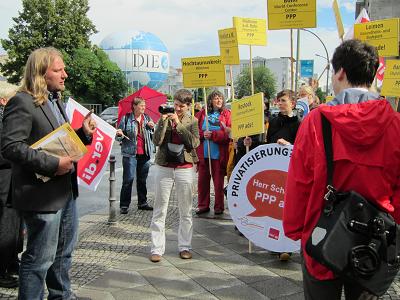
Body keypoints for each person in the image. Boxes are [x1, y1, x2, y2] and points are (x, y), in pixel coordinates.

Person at [283, 39, 400, 299]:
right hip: (373, 240)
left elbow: (299, 182)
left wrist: (294, 229)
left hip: (322, 233)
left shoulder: (316, 121)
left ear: (341, 73)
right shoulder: (396, 124)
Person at [1, 47, 96, 300]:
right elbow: (11, 147)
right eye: (58, 69)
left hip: (65, 193)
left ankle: (61, 296)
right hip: (41, 197)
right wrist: (53, 165)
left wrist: (82, 133)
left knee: (63, 254)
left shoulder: (55, 101)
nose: (65, 74)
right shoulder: (21, 101)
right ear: (41, 73)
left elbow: (57, 141)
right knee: (39, 259)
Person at [149, 89, 199, 263]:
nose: (176, 109)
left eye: (181, 106)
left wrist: (178, 124)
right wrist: (163, 123)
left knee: (185, 209)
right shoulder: (163, 117)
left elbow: (193, 143)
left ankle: (185, 246)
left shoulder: (193, 120)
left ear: (188, 106)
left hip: (184, 167)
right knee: (160, 208)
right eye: (175, 105)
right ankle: (156, 249)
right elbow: (156, 141)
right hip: (164, 166)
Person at [0, 83, 22, 289]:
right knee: (6, 226)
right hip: (4, 181)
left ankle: (13, 262)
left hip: (13, 180)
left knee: (15, 227)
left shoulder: (7, 117)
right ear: (4, 100)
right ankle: (2, 269)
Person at [116, 97, 155, 213]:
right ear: (134, 106)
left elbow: (154, 134)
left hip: (145, 153)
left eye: (144, 105)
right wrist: (120, 134)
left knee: (142, 180)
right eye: (141, 105)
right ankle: (124, 205)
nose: (144, 107)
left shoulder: (147, 118)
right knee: (128, 179)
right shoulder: (126, 118)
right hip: (130, 154)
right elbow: (118, 135)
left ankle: (142, 202)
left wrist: (153, 127)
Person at [195, 90, 231, 215]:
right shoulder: (201, 114)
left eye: (221, 98)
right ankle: (203, 205)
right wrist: (203, 134)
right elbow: (194, 132)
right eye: (216, 98)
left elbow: (229, 134)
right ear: (210, 100)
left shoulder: (227, 114)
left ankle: (219, 207)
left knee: (218, 183)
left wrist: (214, 135)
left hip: (218, 155)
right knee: (202, 183)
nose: (219, 100)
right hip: (204, 155)